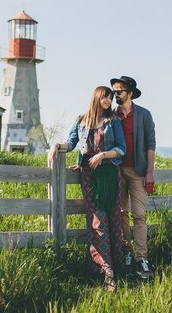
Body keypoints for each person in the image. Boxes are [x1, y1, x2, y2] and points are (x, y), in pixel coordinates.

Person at [48, 86, 126, 292]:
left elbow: (121, 149)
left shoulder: (113, 122)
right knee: (98, 220)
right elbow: (71, 143)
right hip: (90, 177)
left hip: (110, 175)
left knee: (114, 219)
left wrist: (102, 155)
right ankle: (106, 271)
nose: (109, 100)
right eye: (105, 97)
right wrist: (57, 146)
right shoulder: (81, 120)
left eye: (111, 97)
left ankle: (115, 264)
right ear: (97, 97)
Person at [110, 76, 156, 279]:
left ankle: (142, 258)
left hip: (138, 172)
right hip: (118, 171)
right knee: (122, 214)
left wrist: (150, 171)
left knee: (139, 215)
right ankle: (127, 253)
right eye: (114, 91)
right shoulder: (111, 115)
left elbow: (150, 144)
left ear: (129, 93)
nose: (115, 95)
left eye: (119, 91)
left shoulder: (144, 115)